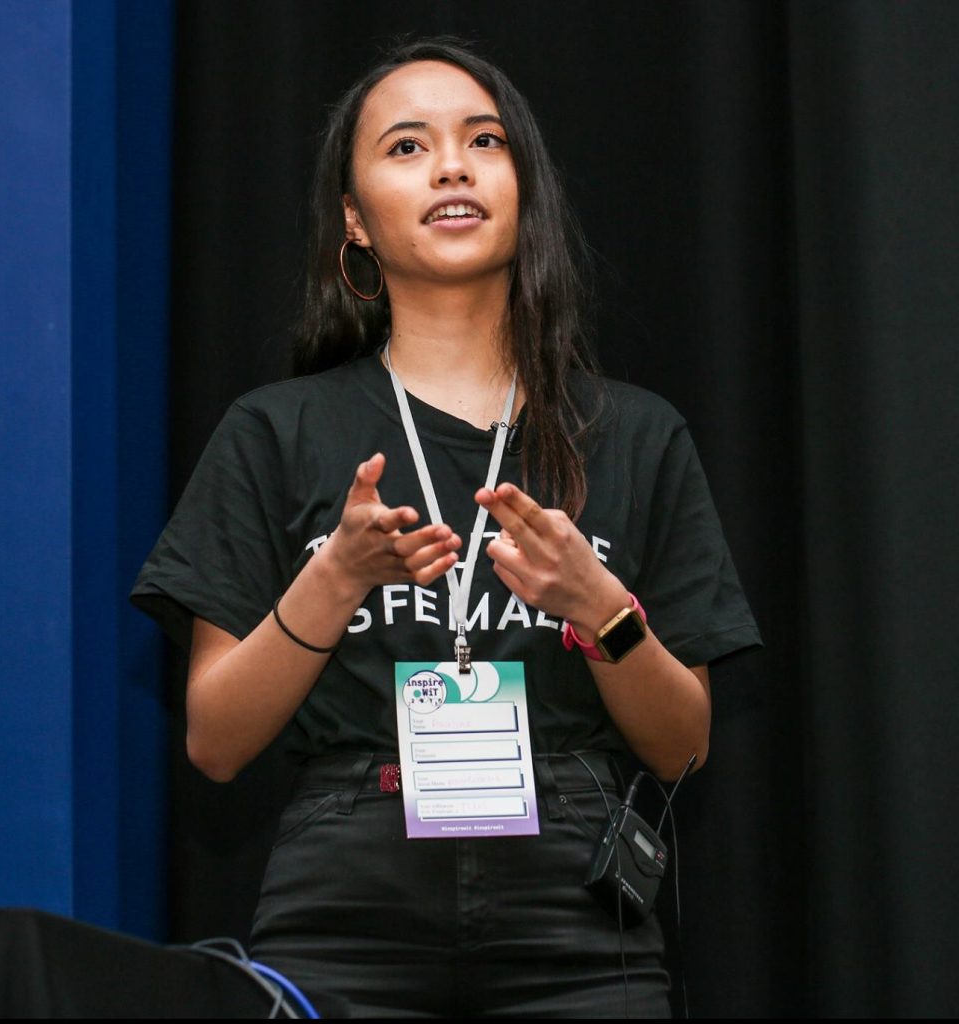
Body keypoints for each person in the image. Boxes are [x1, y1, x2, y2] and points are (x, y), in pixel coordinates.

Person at [131, 38, 760, 1018]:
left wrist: (601, 609)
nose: (453, 167)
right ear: (354, 219)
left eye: (484, 141)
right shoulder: (275, 432)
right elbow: (214, 742)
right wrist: (335, 577)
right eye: (408, 147)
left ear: (525, 188)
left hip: (578, 916)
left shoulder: (636, 435)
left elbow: (682, 748)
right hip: (345, 907)